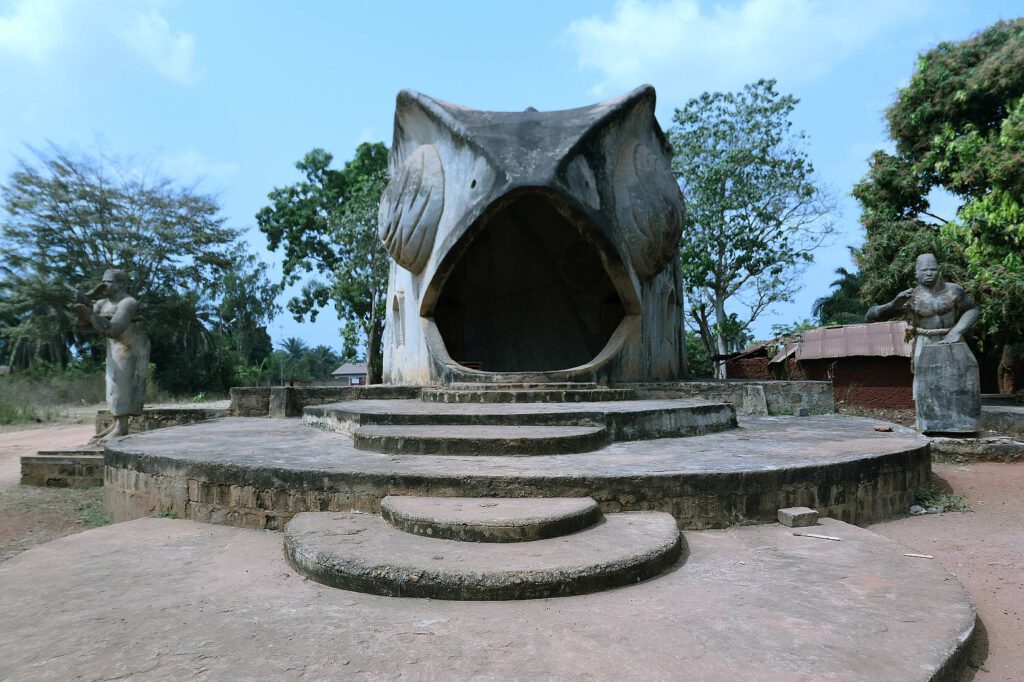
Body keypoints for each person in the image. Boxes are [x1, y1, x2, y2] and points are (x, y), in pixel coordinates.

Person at [866, 253, 980, 432]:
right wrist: (894, 304)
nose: (929, 273)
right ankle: (927, 424)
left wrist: (957, 331)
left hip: (952, 338)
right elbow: (871, 315)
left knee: (964, 375)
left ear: (939, 271)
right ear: (916, 273)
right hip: (925, 340)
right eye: (924, 270)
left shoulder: (953, 290)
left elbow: (972, 309)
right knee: (925, 382)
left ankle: (964, 423)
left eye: (933, 269)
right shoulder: (910, 297)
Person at [71, 269, 150, 440]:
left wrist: (90, 315)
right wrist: (82, 304)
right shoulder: (102, 304)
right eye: (103, 281)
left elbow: (114, 329)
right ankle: (116, 423)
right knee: (113, 385)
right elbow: (83, 326)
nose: (104, 285)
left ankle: (122, 427)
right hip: (115, 348)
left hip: (131, 347)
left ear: (120, 284)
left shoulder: (128, 302)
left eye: (108, 281)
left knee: (123, 384)